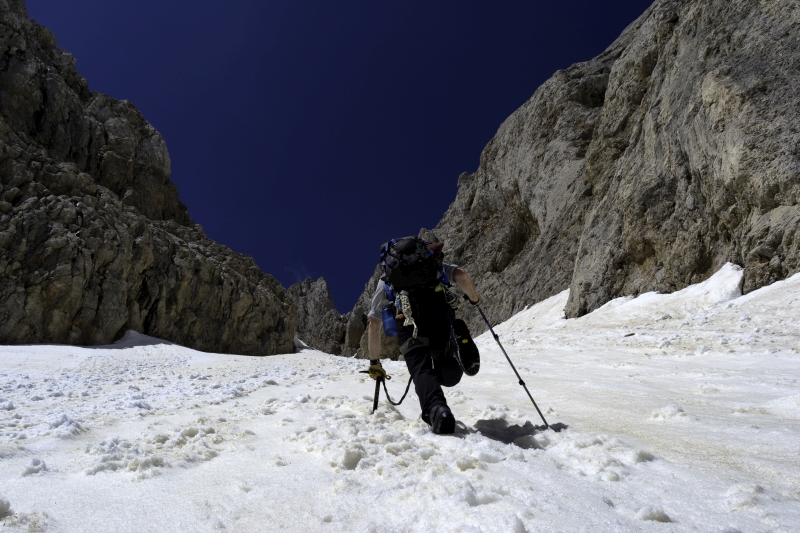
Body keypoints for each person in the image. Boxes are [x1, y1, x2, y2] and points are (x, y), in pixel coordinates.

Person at [366, 239, 482, 434]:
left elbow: (374, 324)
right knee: (449, 374)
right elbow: (461, 275)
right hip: (440, 314)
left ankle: (438, 410)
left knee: (421, 369)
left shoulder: (387, 278)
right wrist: (474, 299)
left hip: (409, 319)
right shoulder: (431, 263)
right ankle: (454, 346)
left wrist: (375, 363)